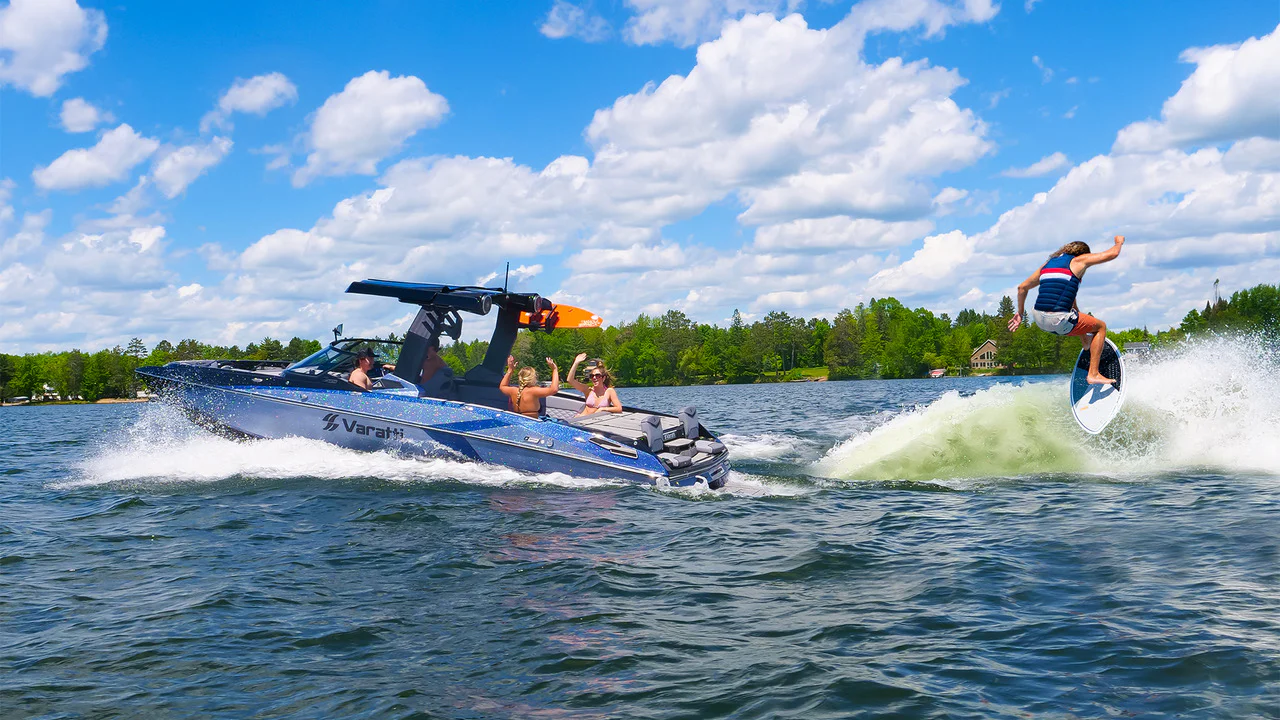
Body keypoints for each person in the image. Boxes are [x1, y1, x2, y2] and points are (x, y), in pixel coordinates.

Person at [1009, 235, 1125, 385]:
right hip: (1058, 319)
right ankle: (1093, 374)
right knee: (1101, 326)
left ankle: (1086, 343)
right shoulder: (1078, 260)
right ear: (1083, 254)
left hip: (1039, 319)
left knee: (1076, 314)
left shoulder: (1048, 264)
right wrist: (1118, 242)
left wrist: (1020, 313)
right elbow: (1112, 254)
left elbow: (1022, 288)